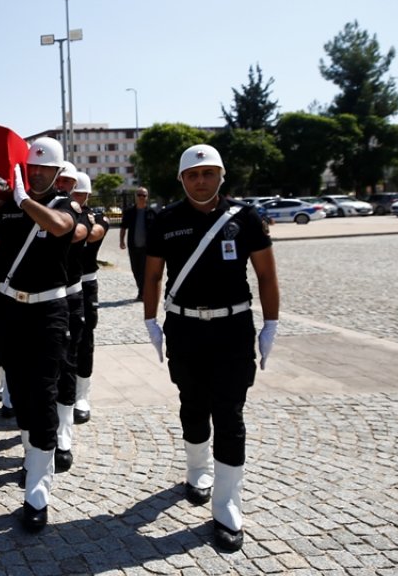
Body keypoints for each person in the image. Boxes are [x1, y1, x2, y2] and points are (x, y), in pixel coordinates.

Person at [142, 143, 279, 553]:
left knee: (230, 414)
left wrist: (271, 324)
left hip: (233, 328)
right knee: (192, 404)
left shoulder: (245, 218)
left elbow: (267, 276)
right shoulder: (165, 220)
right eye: (192, 175)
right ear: (182, 179)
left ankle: (227, 506)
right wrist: (150, 320)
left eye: (208, 173)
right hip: (184, 327)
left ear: (221, 175)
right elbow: (152, 277)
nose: (200, 180)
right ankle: (196, 471)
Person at [0, 136, 76, 532]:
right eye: (31, 168)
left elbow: (60, 226)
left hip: (49, 309)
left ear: (58, 172)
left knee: (44, 393)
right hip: (11, 308)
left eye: (45, 169)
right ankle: (33, 458)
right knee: (20, 391)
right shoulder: (10, 211)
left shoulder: (63, 204)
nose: (36, 174)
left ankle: (38, 490)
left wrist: (23, 200)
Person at [52, 162, 89, 472]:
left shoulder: (76, 211)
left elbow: (78, 231)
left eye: (68, 182)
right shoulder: (38, 207)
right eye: (59, 180)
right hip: (36, 301)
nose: (62, 186)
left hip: (70, 295)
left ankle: (63, 434)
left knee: (67, 363)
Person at [71, 172, 108, 424]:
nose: (75, 197)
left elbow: (94, 233)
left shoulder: (95, 216)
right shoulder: (57, 210)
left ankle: (82, 395)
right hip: (62, 285)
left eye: (79, 193)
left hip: (85, 282)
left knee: (85, 338)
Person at [119, 187, 156, 301]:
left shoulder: (152, 212)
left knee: (145, 271)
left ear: (147, 197)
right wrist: (121, 241)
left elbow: (157, 230)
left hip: (147, 248)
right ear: (135, 196)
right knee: (136, 270)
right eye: (139, 195)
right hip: (133, 246)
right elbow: (123, 227)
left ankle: (143, 293)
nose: (141, 197)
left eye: (144, 195)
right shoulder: (129, 212)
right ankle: (142, 291)